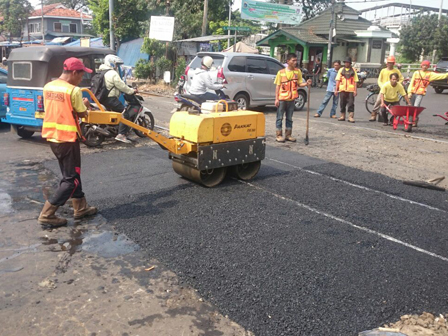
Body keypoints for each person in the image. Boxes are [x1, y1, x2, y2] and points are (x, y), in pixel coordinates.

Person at [38, 58, 97, 228]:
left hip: (53, 138)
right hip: (68, 139)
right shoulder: (73, 91)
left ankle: (80, 207)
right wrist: (86, 104)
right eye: (81, 74)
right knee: (71, 179)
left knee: (71, 174)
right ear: (73, 73)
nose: (81, 78)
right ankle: (47, 214)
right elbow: (82, 113)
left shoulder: (48, 87)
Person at [274, 53, 312, 142]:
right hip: (282, 98)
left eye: (296, 60)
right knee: (279, 117)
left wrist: (306, 83)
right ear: (288, 61)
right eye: (293, 60)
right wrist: (276, 99)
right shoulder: (281, 73)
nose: (295, 62)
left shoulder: (297, 72)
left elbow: (299, 84)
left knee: (289, 118)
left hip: (292, 99)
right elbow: (278, 86)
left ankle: (288, 135)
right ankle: (279, 135)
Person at [99, 54, 136, 144]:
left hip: (102, 98)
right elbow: (121, 85)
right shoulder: (112, 73)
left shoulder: (101, 72)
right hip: (111, 99)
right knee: (124, 113)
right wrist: (131, 91)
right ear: (111, 63)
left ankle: (113, 130)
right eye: (116, 64)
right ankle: (121, 135)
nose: (116, 67)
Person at [369, 56, 404, 121]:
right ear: (387, 63)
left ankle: (393, 117)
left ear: (394, 63)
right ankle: (373, 114)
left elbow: (401, 78)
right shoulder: (383, 71)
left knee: (395, 102)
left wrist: (397, 84)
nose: (390, 64)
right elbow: (379, 80)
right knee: (378, 101)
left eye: (391, 63)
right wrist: (382, 86)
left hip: (393, 89)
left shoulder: (396, 71)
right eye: (389, 63)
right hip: (384, 89)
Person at [335, 57, 358, 123]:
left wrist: (355, 90)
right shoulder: (341, 70)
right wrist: (336, 89)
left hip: (351, 90)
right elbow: (338, 80)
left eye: (348, 62)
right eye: (345, 62)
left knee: (351, 103)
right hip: (342, 89)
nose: (346, 63)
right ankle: (342, 115)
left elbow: (355, 81)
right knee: (342, 103)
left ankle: (350, 116)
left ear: (350, 63)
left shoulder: (353, 70)